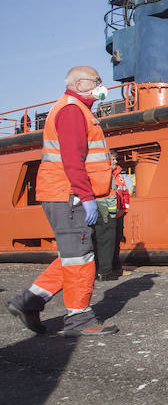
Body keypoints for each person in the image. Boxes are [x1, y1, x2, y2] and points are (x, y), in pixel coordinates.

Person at [6, 66, 119, 336]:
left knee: (73, 256)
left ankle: (28, 302)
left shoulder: (74, 109)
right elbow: (72, 158)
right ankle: (78, 319)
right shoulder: (72, 111)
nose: (101, 86)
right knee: (80, 258)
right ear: (80, 84)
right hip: (68, 194)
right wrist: (86, 196)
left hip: (65, 194)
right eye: (97, 81)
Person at [93, 151, 128, 281]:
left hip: (115, 213)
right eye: (113, 160)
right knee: (105, 241)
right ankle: (104, 271)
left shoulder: (117, 176)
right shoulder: (107, 175)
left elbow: (124, 194)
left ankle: (110, 269)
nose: (115, 162)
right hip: (106, 212)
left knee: (112, 241)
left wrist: (124, 210)